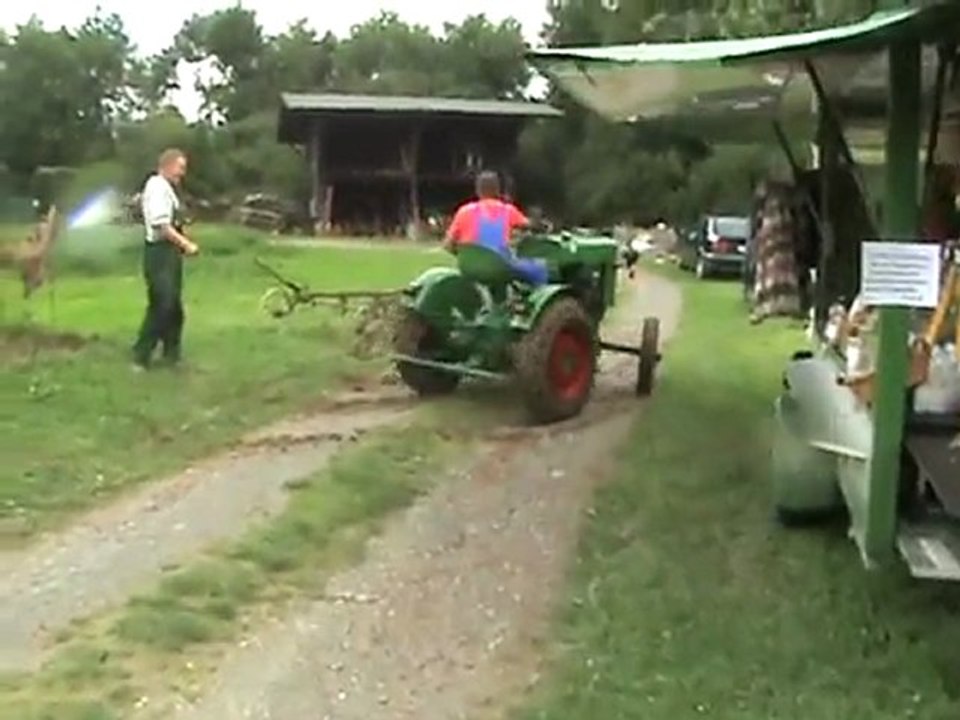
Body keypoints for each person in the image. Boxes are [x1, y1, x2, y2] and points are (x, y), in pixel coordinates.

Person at [132, 148, 199, 370]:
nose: (182, 173)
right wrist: (186, 245)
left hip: (169, 254)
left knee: (174, 307)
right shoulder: (158, 187)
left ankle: (172, 355)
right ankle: (141, 356)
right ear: (167, 165)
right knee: (162, 304)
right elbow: (161, 226)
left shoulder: (167, 189)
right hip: (159, 253)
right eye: (180, 168)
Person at [443, 171, 548, 285]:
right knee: (539, 268)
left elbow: (447, 245)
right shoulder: (507, 211)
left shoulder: (464, 211)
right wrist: (542, 225)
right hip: (498, 268)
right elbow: (531, 225)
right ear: (498, 190)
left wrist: (469, 255)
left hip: (469, 269)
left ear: (477, 190)